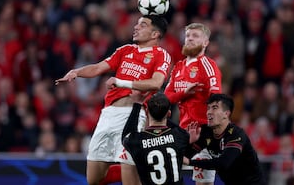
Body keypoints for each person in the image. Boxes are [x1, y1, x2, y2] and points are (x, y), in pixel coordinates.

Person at [55, 14, 171, 185]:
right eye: (137, 24)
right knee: (94, 179)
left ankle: (137, 167)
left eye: (143, 25)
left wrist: (121, 82)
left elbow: (156, 82)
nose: (136, 27)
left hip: (133, 114)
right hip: (108, 114)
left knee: (128, 174)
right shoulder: (125, 50)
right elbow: (97, 68)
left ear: (155, 34)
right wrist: (76, 72)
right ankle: (143, 166)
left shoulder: (160, 54)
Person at [164, 22, 222, 185]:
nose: (189, 39)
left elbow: (217, 100)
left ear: (205, 43)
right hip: (183, 130)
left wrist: (208, 134)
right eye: (188, 35)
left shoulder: (208, 66)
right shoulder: (179, 67)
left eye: (195, 36)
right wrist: (184, 92)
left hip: (203, 132)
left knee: (202, 182)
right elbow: (167, 98)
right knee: (165, 170)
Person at [184, 93, 266, 185]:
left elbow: (223, 163)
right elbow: (185, 156)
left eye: (214, 108)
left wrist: (190, 162)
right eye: (208, 108)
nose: (209, 112)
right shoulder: (206, 132)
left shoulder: (236, 134)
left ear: (226, 114)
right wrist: (190, 142)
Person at [122, 91, 190, 185]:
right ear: (169, 114)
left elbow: (126, 135)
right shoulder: (179, 136)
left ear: (146, 112)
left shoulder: (138, 141)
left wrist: (137, 104)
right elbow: (184, 134)